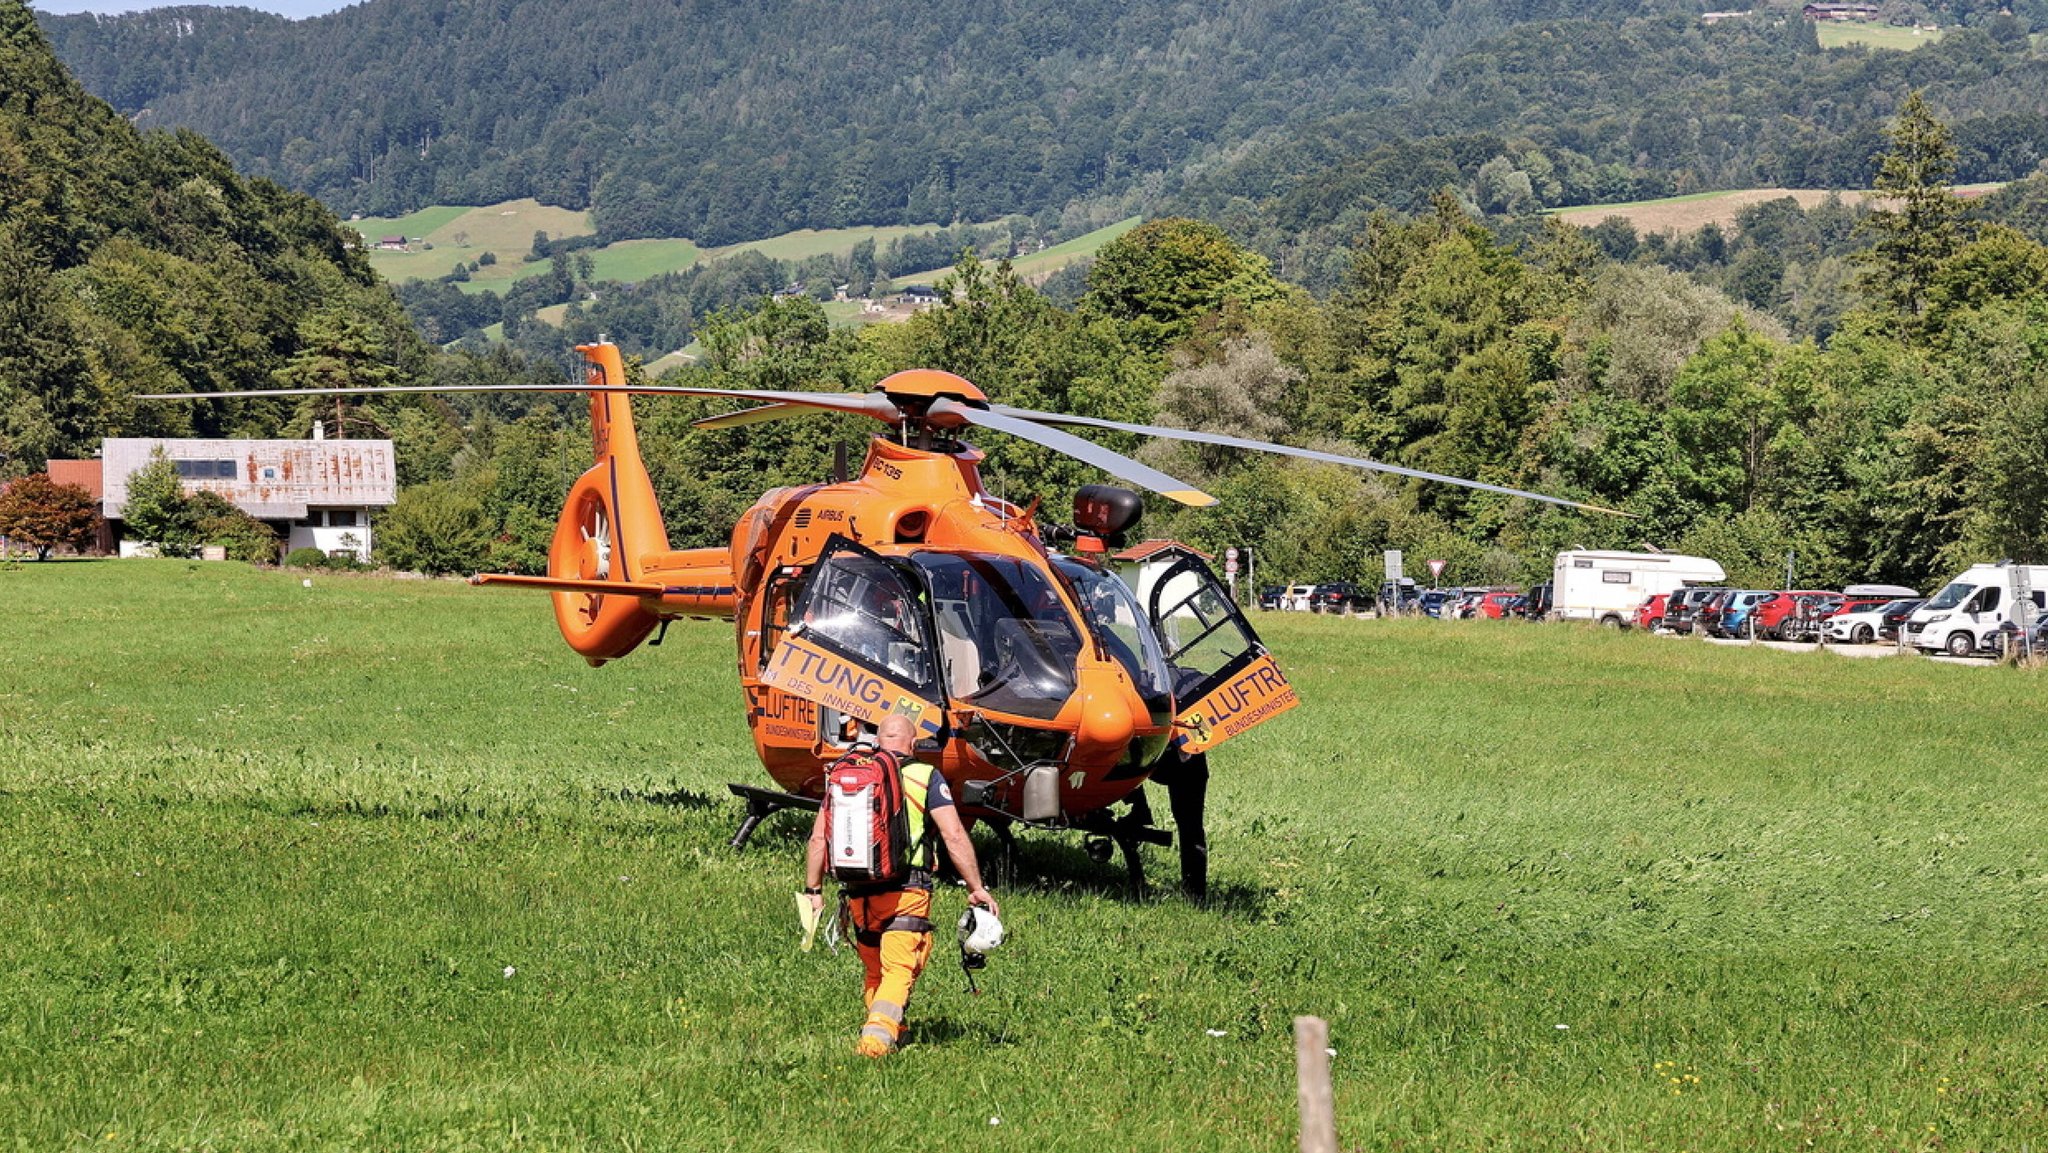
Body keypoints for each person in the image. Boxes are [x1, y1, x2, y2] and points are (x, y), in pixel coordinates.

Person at [804, 714, 998, 1057]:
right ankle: (875, 1043)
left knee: (877, 968)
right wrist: (976, 886)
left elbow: (819, 837)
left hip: (858, 892)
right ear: (912, 744)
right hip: (906, 890)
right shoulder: (925, 775)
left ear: (879, 741)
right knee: (901, 967)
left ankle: (894, 1030)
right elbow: (953, 834)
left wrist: (814, 891)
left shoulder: (847, 774)